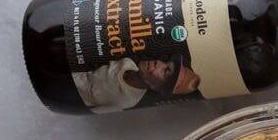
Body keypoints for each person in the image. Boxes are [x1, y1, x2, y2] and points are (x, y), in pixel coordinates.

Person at [71, 54, 201, 113]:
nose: (159, 63)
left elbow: (88, 111)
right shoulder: (127, 61)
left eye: (165, 71)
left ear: (156, 87)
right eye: (166, 63)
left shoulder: (126, 100)